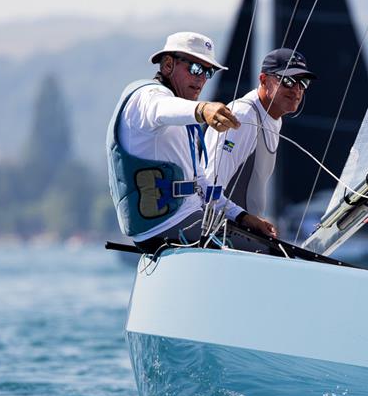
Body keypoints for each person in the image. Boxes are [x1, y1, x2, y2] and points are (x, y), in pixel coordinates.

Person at [106, 31, 275, 253]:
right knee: (269, 253)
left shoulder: (184, 120)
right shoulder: (146, 98)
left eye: (208, 72)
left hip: (190, 221)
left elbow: (202, 185)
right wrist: (203, 109)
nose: (201, 79)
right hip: (166, 228)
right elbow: (161, 108)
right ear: (168, 65)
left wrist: (242, 216)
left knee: (270, 245)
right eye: (195, 69)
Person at [204, 48, 318, 227]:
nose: (296, 89)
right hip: (222, 233)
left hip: (243, 231)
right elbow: (208, 190)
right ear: (264, 80)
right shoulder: (243, 117)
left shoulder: (274, 117)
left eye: (303, 83)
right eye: (288, 81)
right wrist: (246, 219)